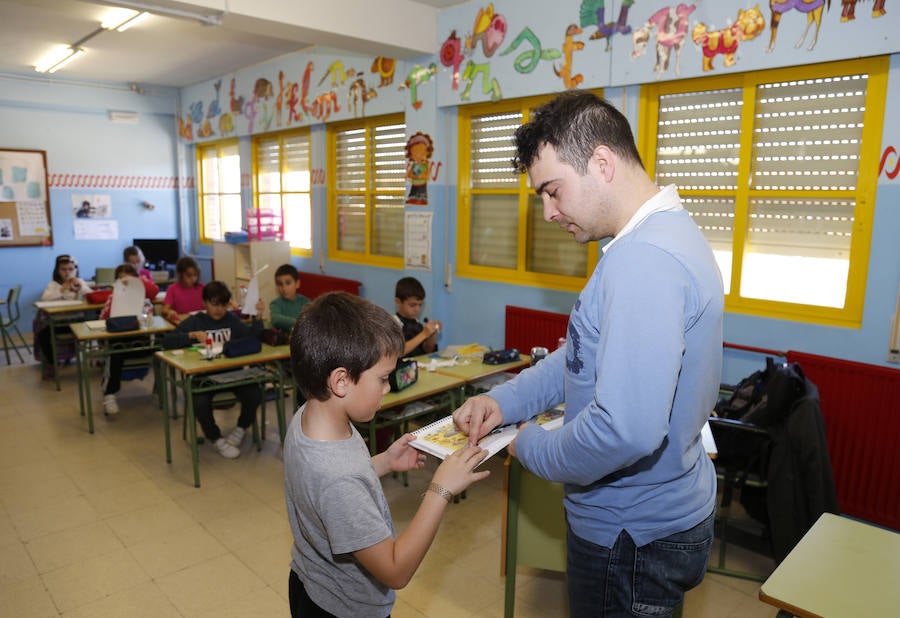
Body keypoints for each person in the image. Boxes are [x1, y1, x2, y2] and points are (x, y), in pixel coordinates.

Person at [452, 91, 724, 617]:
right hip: (660, 511)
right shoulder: (658, 236)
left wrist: (528, 447)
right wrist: (507, 402)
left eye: (553, 191)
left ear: (601, 163)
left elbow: (626, 431)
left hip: (630, 532)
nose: (550, 212)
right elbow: (579, 355)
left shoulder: (641, 261)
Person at [284, 291, 489, 618]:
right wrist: (440, 490)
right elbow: (395, 571)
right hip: (345, 610)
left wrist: (383, 462)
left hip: (311, 585)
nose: (388, 388)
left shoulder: (309, 417)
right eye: (382, 378)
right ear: (341, 381)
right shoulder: (339, 480)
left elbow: (326, 487)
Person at [162, 280, 264, 458]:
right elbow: (166, 342)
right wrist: (191, 336)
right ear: (204, 302)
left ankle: (240, 430)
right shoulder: (196, 321)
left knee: (254, 392)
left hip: (232, 373)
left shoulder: (232, 321)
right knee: (198, 400)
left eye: (223, 305)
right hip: (204, 376)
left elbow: (254, 339)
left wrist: (258, 317)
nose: (219, 309)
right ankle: (216, 438)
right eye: (214, 304)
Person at [98, 263, 160, 415]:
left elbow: (155, 290)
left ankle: (162, 391)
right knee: (114, 353)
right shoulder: (113, 297)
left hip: (143, 340)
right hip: (121, 342)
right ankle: (109, 395)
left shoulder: (145, 297)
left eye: (129, 278)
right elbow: (103, 319)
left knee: (162, 345)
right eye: (120, 279)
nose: (125, 281)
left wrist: (136, 283)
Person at [36, 254, 94, 376]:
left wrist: (80, 287)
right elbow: (45, 298)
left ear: (76, 270)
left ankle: (100, 358)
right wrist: (62, 289)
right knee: (43, 334)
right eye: (63, 269)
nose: (67, 273)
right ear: (57, 270)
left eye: (70, 269)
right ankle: (51, 363)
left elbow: (91, 295)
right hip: (59, 323)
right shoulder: (53, 284)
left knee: (98, 325)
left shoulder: (80, 282)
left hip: (78, 322)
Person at [393, 276, 441, 356]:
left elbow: (428, 350)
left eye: (420, 305)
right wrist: (424, 334)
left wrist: (432, 333)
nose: (417, 309)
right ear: (398, 302)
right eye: (412, 305)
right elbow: (399, 351)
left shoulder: (417, 324)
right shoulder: (393, 324)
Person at [269, 264, 309, 336]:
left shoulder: (305, 301)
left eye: (288, 283)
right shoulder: (275, 303)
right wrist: (298, 322)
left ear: (297, 284)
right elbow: (276, 319)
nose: (284, 288)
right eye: (279, 284)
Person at [162, 256, 204, 323]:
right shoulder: (173, 289)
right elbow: (164, 309)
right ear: (179, 274)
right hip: (182, 324)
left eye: (195, 275)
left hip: (200, 323)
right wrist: (170, 312)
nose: (193, 278)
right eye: (189, 275)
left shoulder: (202, 288)